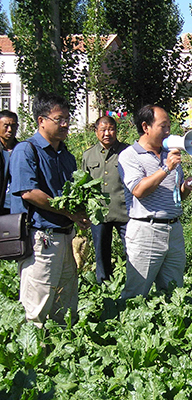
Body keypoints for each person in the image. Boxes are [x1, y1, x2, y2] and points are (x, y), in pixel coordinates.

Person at [10, 92, 91, 327]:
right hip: (41, 239)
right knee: (37, 306)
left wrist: (80, 214)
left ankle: (60, 357)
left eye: (67, 118)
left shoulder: (65, 155)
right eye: (59, 119)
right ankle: (34, 359)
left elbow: (73, 192)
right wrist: (68, 212)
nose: (65, 123)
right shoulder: (27, 150)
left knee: (65, 304)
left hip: (66, 238)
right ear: (41, 120)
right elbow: (28, 192)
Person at [118, 105, 192, 299]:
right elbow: (139, 190)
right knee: (136, 292)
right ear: (146, 127)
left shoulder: (168, 155)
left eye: (169, 126)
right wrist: (166, 168)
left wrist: (187, 187)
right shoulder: (129, 155)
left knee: (174, 291)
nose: (168, 132)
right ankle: (128, 327)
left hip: (173, 230)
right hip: (146, 230)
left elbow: (176, 196)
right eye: (163, 126)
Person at [82, 116, 129, 284]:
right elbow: (84, 185)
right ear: (96, 132)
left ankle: (134, 285)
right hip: (99, 213)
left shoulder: (127, 152)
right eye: (103, 130)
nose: (107, 133)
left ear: (116, 131)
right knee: (101, 253)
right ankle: (104, 288)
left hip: (125, 211)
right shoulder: (88, 156)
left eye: (111, 129)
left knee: (132, 251)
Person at [0, 110, 19, 215]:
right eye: (6, 126)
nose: (10, 130)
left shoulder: (22, 150)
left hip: (15, 206)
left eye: (13, 126)